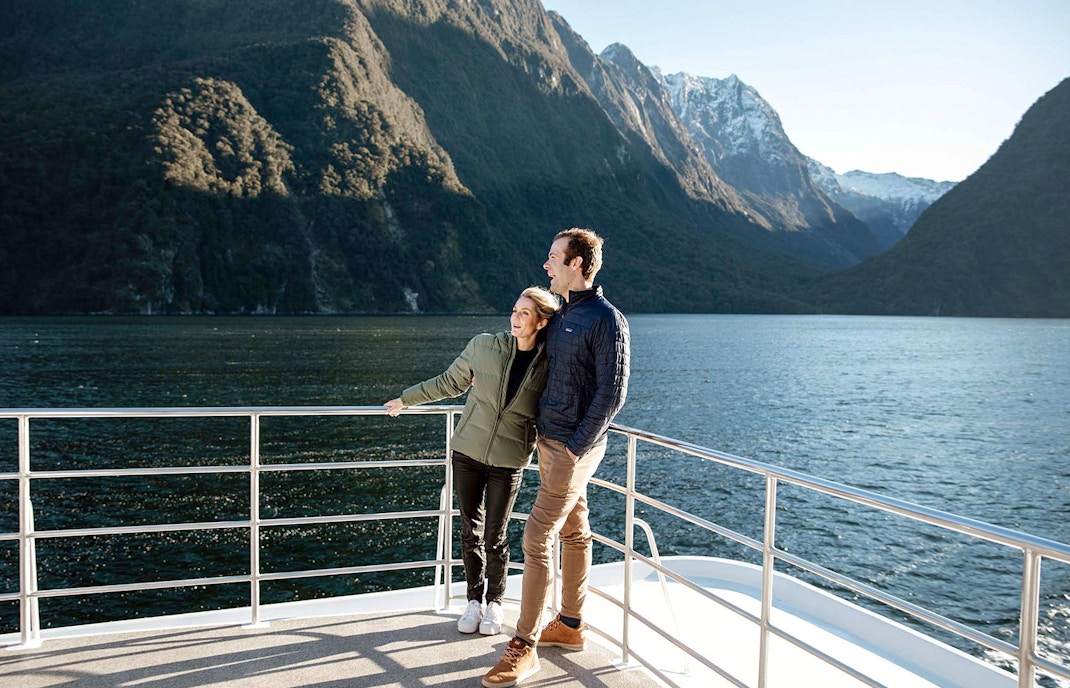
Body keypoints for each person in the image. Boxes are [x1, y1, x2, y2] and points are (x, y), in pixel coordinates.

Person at [483, 228, 630, 687]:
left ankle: (523, 646)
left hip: (572, 447)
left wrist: (575, 446)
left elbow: (613, 393)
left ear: (579, 264)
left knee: (535, 534)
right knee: (574, 529)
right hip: (549, 440)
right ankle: (569, 625)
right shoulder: (563, 312)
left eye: (553, 258)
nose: (545, 265)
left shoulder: (607, 320)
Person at [384, 287, 560, 636]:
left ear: (541, 321)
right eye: (514, 310)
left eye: (525, 313)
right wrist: (406, 400)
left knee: (496, 535)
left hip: (509, 460)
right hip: (467, 452)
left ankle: (495, 603)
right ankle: (473, 601)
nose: (515, 318)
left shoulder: (549, 362)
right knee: (471, 531)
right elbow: (450, 382)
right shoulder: (484, 345)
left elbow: (555, 406)